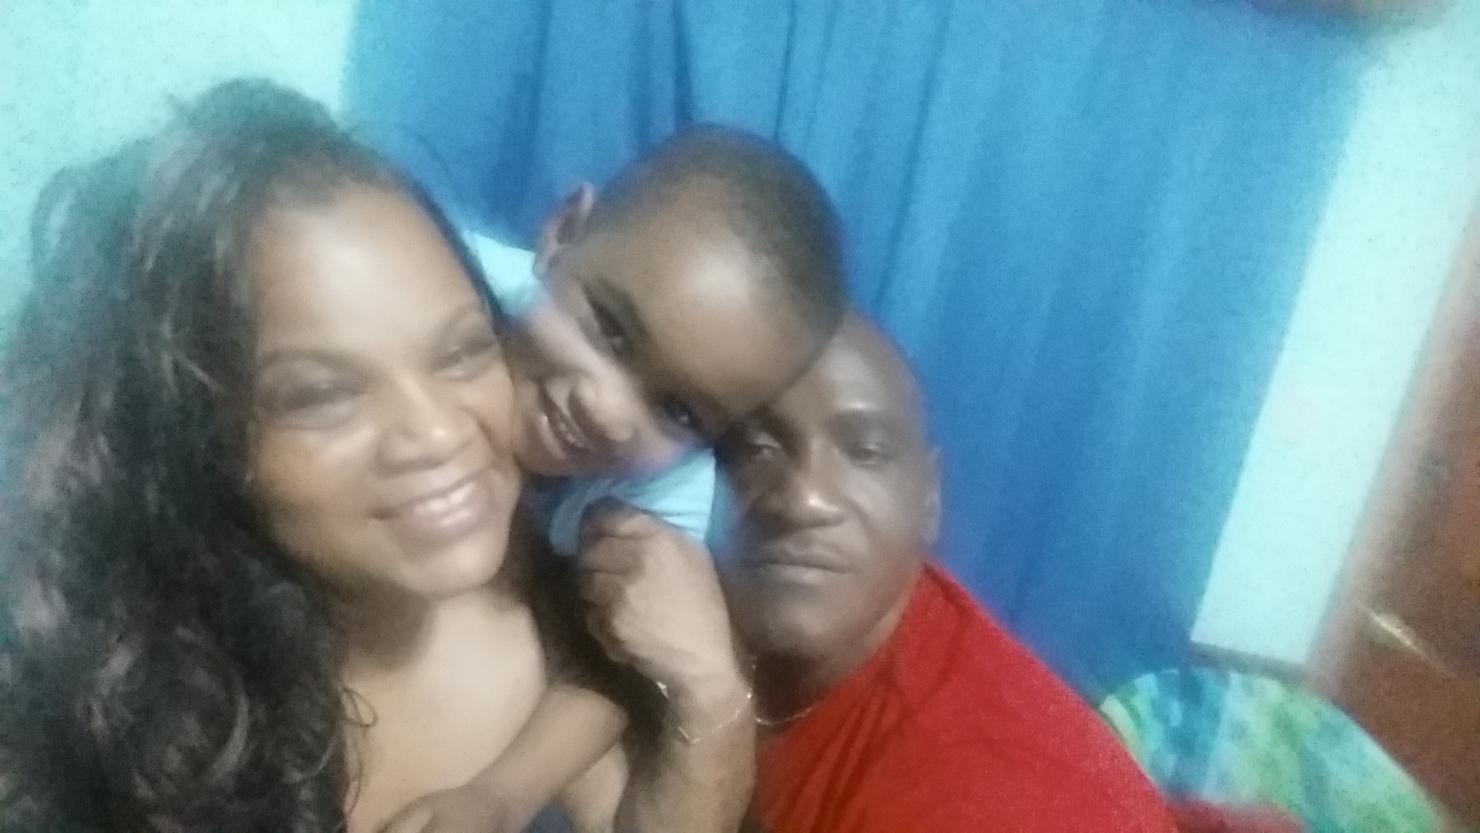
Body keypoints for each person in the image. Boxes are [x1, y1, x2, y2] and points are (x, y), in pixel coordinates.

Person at [0, 80, 751, 833]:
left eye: (462, 351)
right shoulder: (84, 698)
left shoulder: (534, 617)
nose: (437, 433)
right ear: (185, 433)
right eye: (323, 396)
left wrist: (715, 694)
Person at [383, 128, 851, 832]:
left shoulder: (671, 489)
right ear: (562, 233)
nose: (606, 410)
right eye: (610, 330)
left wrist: (501, 796)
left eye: (678, 411)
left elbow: (614, 666)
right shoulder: (437, 282)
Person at [716, 313, 1180, 833]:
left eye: (865, 452)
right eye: (754, 449)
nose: (803, 499)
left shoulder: (987, 789)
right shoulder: (703, 625)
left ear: (929, 500)